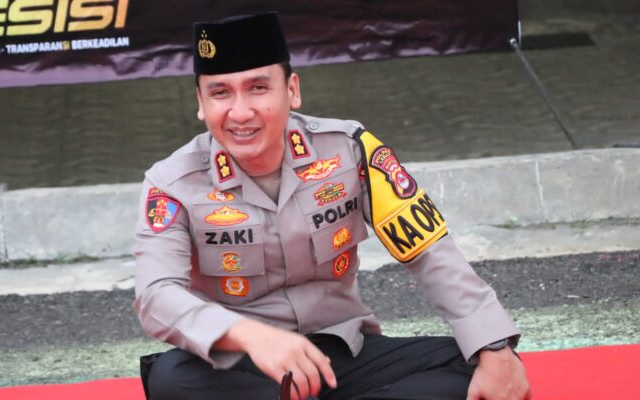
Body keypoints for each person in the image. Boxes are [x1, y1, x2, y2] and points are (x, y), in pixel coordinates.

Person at [133, 12, 531, 400]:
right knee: (172, 379)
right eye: (220, 93)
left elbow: (429, 251)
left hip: (343, 356)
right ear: (201, 102)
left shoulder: (349, 149)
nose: (240, 112)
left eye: (258, 88)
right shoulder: (172, 183)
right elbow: (156, 295)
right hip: (243, 368)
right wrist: (252, 336)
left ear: (292, 90)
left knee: (473, 363)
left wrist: (493, 346)